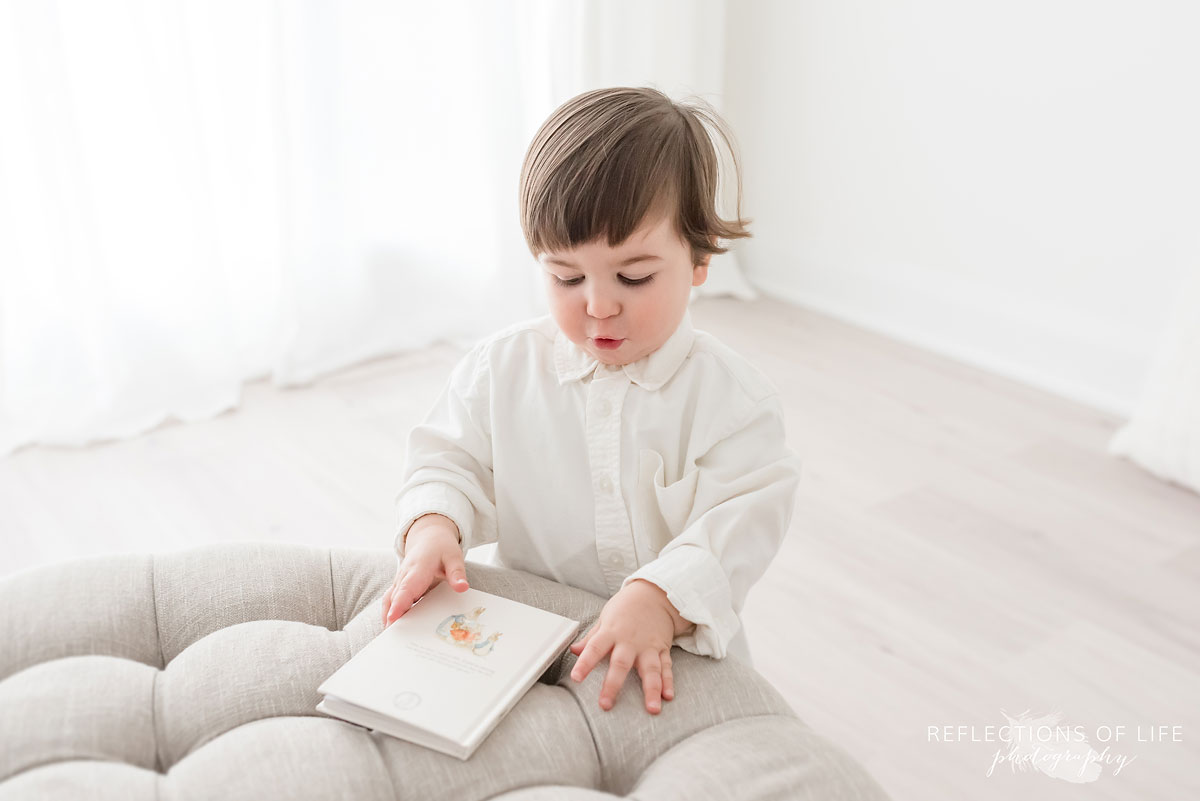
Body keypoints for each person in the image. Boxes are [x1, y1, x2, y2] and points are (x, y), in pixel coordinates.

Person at [380, 86, 802, 717]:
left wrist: (660, 597)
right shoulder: (501, 369)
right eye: (566, 277)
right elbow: (447, 462)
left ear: (700, 258)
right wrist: (434, 526)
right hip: (522, 639)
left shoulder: (732, 403)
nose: (599, 305)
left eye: (634, 277)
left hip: (671, 654)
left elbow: (739, 525)